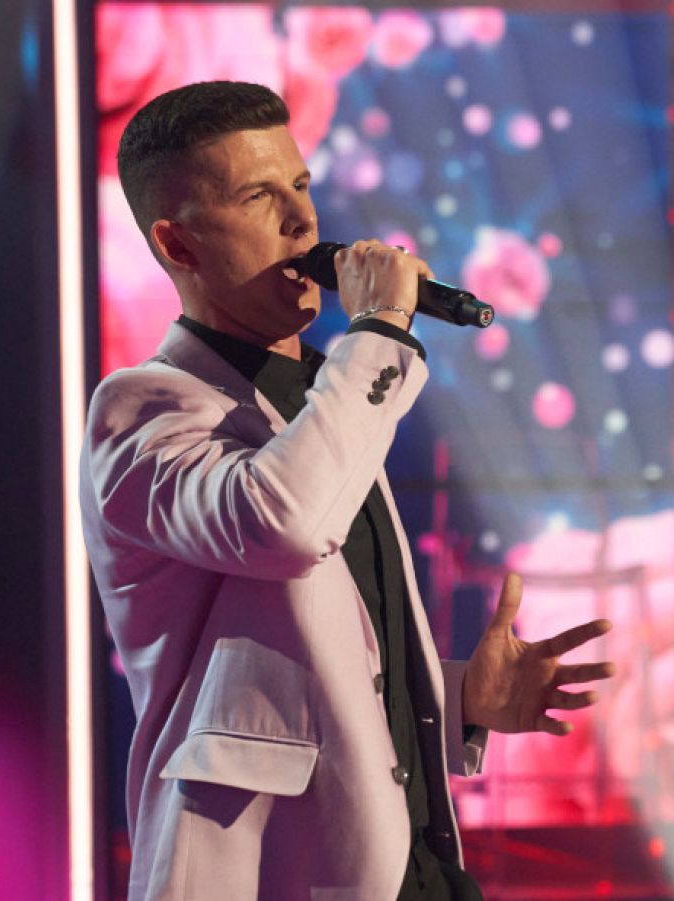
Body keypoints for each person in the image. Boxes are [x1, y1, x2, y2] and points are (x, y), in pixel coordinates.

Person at [81, 81, 617, 900]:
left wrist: (460, 697)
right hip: (273, 878)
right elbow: (283, 523)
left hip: (412, 866)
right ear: (178, 244)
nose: (303, 222)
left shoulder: (321, 398)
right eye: (259, 197)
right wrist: (376, 334)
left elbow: (318, 668)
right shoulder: (143, 408)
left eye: (300, 185)